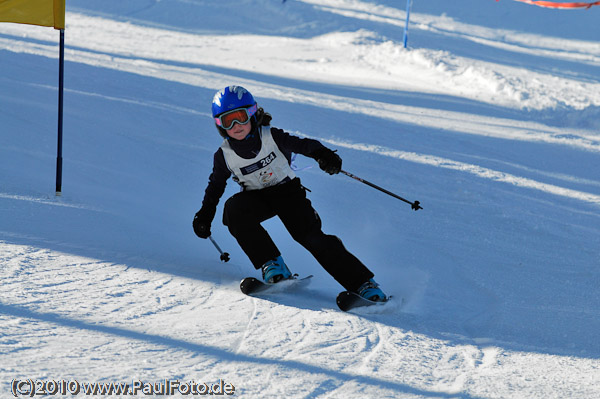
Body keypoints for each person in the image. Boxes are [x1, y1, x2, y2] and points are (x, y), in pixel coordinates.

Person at [192, 85, 387, 301]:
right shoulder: (224, 155)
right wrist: (205, 213)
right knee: (234, 210)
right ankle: (273, 265)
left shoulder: (271, 137)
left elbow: (303, 145)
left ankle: (365, 285)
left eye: (240, 117)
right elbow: (215, 186)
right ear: (220, 125)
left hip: (288, 193)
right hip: (257, 198)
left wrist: (323, 155)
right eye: (228, 121)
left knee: (311, 237)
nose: (236, 125)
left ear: (252, 113)